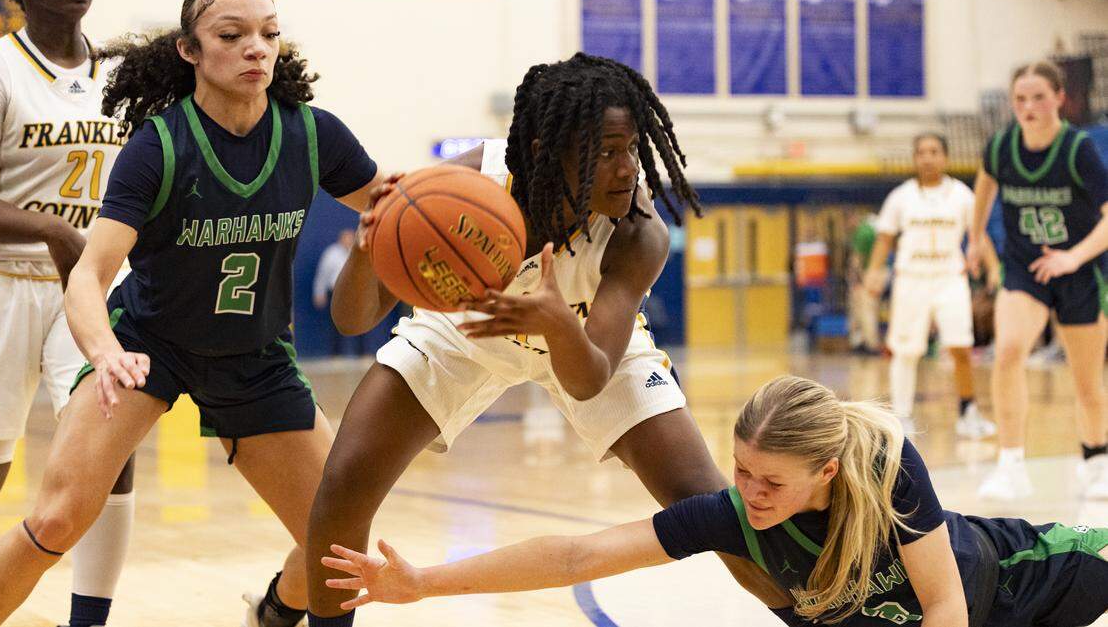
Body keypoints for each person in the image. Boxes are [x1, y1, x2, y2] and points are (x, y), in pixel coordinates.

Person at [304, 52, 792, 627]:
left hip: (586, 337)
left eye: (632, 148)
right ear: (545, 152)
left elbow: (588, 381)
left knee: (713, 508)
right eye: (607, 152)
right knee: (342, 485)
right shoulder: (464, 184)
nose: (627, 168)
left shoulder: (639, 234)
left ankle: (815, 618)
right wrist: (369, 242)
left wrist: (556, 320)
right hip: (466, 328)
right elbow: (351, 319)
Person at [0, 0, 382, 626]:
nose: (256, 48)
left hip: (256, 355)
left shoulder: (312, 133)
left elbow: (399, 203)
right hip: (150, 343)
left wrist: (497, 174)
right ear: (190, 50)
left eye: (269, 34)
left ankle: (274, 611)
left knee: (339, 547)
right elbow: (89, 275)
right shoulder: (159, 145)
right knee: (55, 517)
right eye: (231, 35)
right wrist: (104, 351)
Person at [322, 375, 1108, 627]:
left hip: (1031, 578)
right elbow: (577, 554)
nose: (749, 493)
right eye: (741, 470)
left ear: (826, 471)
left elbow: (943, 607)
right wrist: (424, 581)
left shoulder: (888, 468)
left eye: (772, 480)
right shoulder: (734, 516)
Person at [0, 0, 136, 625]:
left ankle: (88, 620)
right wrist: (56, 231)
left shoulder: (123, 75)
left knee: (107, 458)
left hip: (92, 290)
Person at [967, 61, 1108, 500]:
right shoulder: (1002, 147)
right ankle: (1011, 465)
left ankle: (1097, 460)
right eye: (1021, 99)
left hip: (1079, 272)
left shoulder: (1077, 149)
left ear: (1059, 99)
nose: (1029, 107)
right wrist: (974, 239)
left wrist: (1073, 257)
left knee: (1086, 380)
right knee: (1008, 353)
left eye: (1039, 97)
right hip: (1024, 269)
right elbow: (985, 185)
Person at [866, 133, 1001, 439]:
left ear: (945, 157)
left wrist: (993, 267)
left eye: (934, 151)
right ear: (914, 158)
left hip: (949, 276)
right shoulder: (901, 197)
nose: (927, 157)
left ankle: (968, 412)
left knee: (961, 346)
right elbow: (885, 237)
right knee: (906, 350)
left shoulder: (962, 195)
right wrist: (873, 271)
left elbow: (978, 234)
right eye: (922, 152)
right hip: (911, 278)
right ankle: (901, 416)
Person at [313, 229, 363, 356]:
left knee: (360, 321)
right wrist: (319, 292)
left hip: (355, 291)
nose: (348, 241)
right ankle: (336, 354)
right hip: (336, 292)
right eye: (346, 238)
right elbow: (323, 274)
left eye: (351, 238)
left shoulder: (358, 252)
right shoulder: (331, 253)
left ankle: (362, 352)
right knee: (336, 323)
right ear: (341, 239)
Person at [847, 212, 881, 355]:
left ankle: (870, 344)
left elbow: (857, 259)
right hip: (879, 271)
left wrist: (856, 279)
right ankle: (865, 341)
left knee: (865, 309)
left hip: (867, 273)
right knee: (870, 308)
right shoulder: (873, 228)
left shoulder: (862, 233)